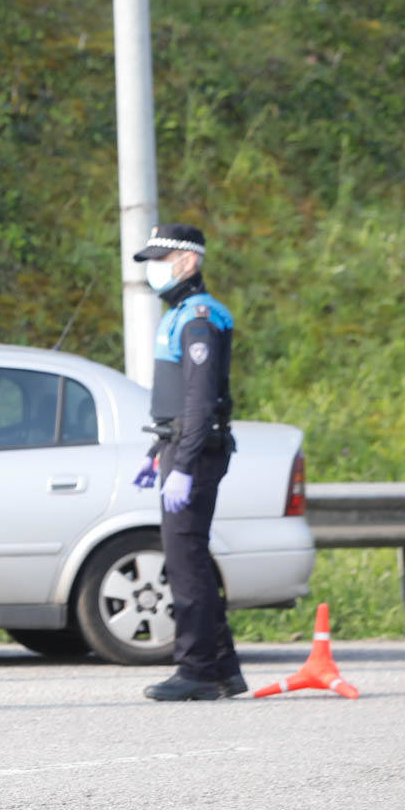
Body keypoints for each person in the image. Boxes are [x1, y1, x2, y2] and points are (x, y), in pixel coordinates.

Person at [131, 224, 246, 701]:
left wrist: (182, 465)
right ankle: (223, 669)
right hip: (179, 447)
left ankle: (197, 671)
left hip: (193, 452)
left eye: (162, 259)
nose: (154, 269)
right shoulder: (180, 315)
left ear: (189, 261)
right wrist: (158, 452)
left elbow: (199, 402)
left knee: (185, 563)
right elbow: (178, 401)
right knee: (190, 557)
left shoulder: (199, 319)